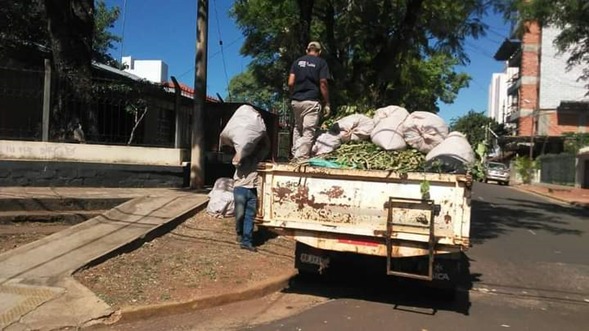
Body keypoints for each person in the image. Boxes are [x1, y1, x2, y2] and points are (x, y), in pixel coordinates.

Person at [288, 41, 331, 160]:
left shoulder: (297, 62)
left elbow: (291, 82)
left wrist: (294, 94)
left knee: (298, 127)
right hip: (311, 101)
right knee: (308, 130)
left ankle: (294, 154)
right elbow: (323, 83)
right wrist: (327, 102)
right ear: (319, 52)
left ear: (307, 50)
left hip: (296, 101)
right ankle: (301, 158)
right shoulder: (321, 63)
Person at [233, 134, 270, 252]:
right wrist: (242, 150)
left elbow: (266, 148)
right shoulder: (240, 156)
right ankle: (240, 232)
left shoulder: (257, 158)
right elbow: (235, 161)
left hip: (253, 190)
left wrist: (264, 135)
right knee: (240, 215)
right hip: (240, 189)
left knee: (249, 217)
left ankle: (247, 241)